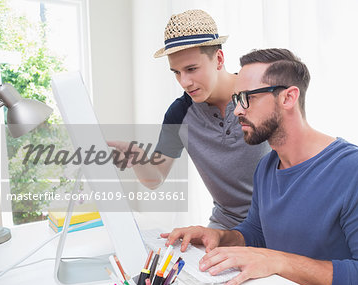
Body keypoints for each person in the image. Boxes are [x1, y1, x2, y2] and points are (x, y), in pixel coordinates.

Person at [162, 48, 358, 285]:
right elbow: (257, 233)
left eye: (247, 97)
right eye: (236, 99)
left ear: (288, 98)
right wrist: (218, 236)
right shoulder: (267, 167)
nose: (236, 111)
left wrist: (278, 261)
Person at [108, 10, 270, 229]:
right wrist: (138, 158)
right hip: (225, 226)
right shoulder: (179, 114)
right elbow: (155, 179)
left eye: (191, 69)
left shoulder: (261, 93)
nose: (184, 81)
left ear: (219, 59)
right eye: (176, 72)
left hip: (274, 220)